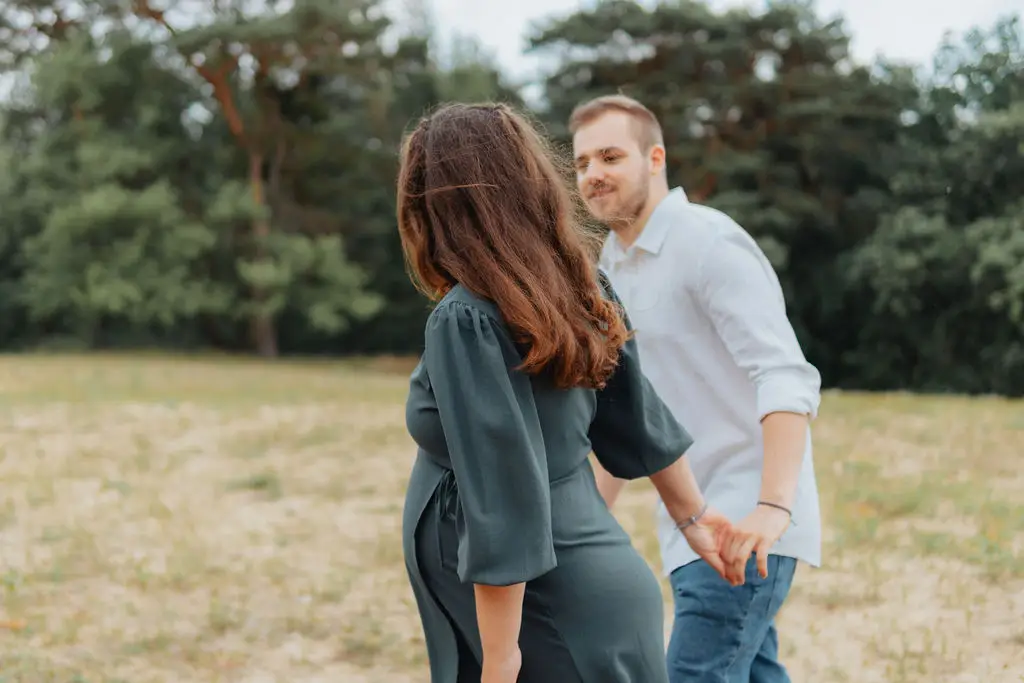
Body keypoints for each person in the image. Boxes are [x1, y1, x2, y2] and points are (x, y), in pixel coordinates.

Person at [397, 102, 756, 683]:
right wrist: (692, 516)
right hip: (599, 601)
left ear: (434, 203)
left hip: (547, 622)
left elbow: (505, 501)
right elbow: (636, 413)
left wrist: (499, 659)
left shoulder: (467, 320)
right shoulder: (578, 280)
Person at [569, 93, 823, 683]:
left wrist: (771, 508)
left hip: (744, 525)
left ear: (655, 158)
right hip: (689, 528)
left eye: (610, 156)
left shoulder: (708, 242)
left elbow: (784, 374)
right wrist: (580, 525)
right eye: (582, 163)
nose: (593, 174)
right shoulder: (609, 265)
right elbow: (630, 412)